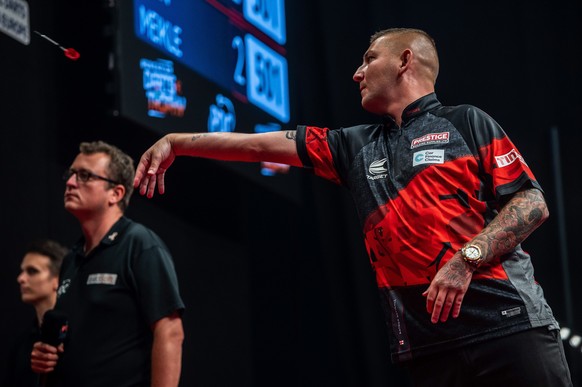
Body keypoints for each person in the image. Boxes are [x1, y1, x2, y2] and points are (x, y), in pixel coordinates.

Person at [133, 28, 572, 386]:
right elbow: (255, 146)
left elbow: (532, 201)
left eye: (368, 59)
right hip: (428, 351)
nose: (356, 72)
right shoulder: (353, 146)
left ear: (404, 61)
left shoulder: (465, 122)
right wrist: (178, 142)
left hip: (512, 329)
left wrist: (466, 258)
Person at [31, 141, 185, 387]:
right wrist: (47, 355)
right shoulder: (72, 258)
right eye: (70, 174)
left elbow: (170, 332)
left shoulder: (139, 244)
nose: (70, 183)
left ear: (116, 193)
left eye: (84, 176)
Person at [3, 239, 68, 387]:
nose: (21, 279)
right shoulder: (21, 346)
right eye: (22, 271)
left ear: (58, 280)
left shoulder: (78, 338)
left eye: (32, 271)